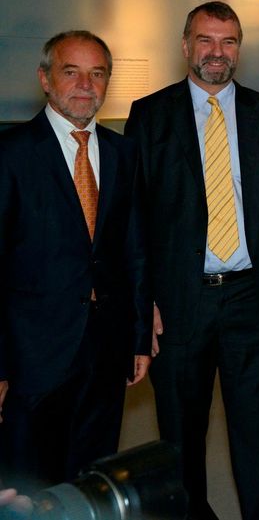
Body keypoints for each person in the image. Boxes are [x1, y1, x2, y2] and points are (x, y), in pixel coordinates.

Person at [125, 2, 259, 520]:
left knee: (256, 426)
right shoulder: (150, 116)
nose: (216, 52)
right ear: (186, 46)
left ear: (239, 50)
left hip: (251, 296)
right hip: (179, 302)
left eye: (228, 42)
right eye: (206, 40)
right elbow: (133, 218)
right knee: (181, 430)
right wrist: (143, 303)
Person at [0, 31, 150, 494]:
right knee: (31, 487)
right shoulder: (10, 154)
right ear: (45, 79)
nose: (86, 85)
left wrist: (139, 337)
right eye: (72, 72)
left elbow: (135, 251)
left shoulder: (124, 153)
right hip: (31, 357)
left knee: (94, 480)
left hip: (105, 350)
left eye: (97, 73)